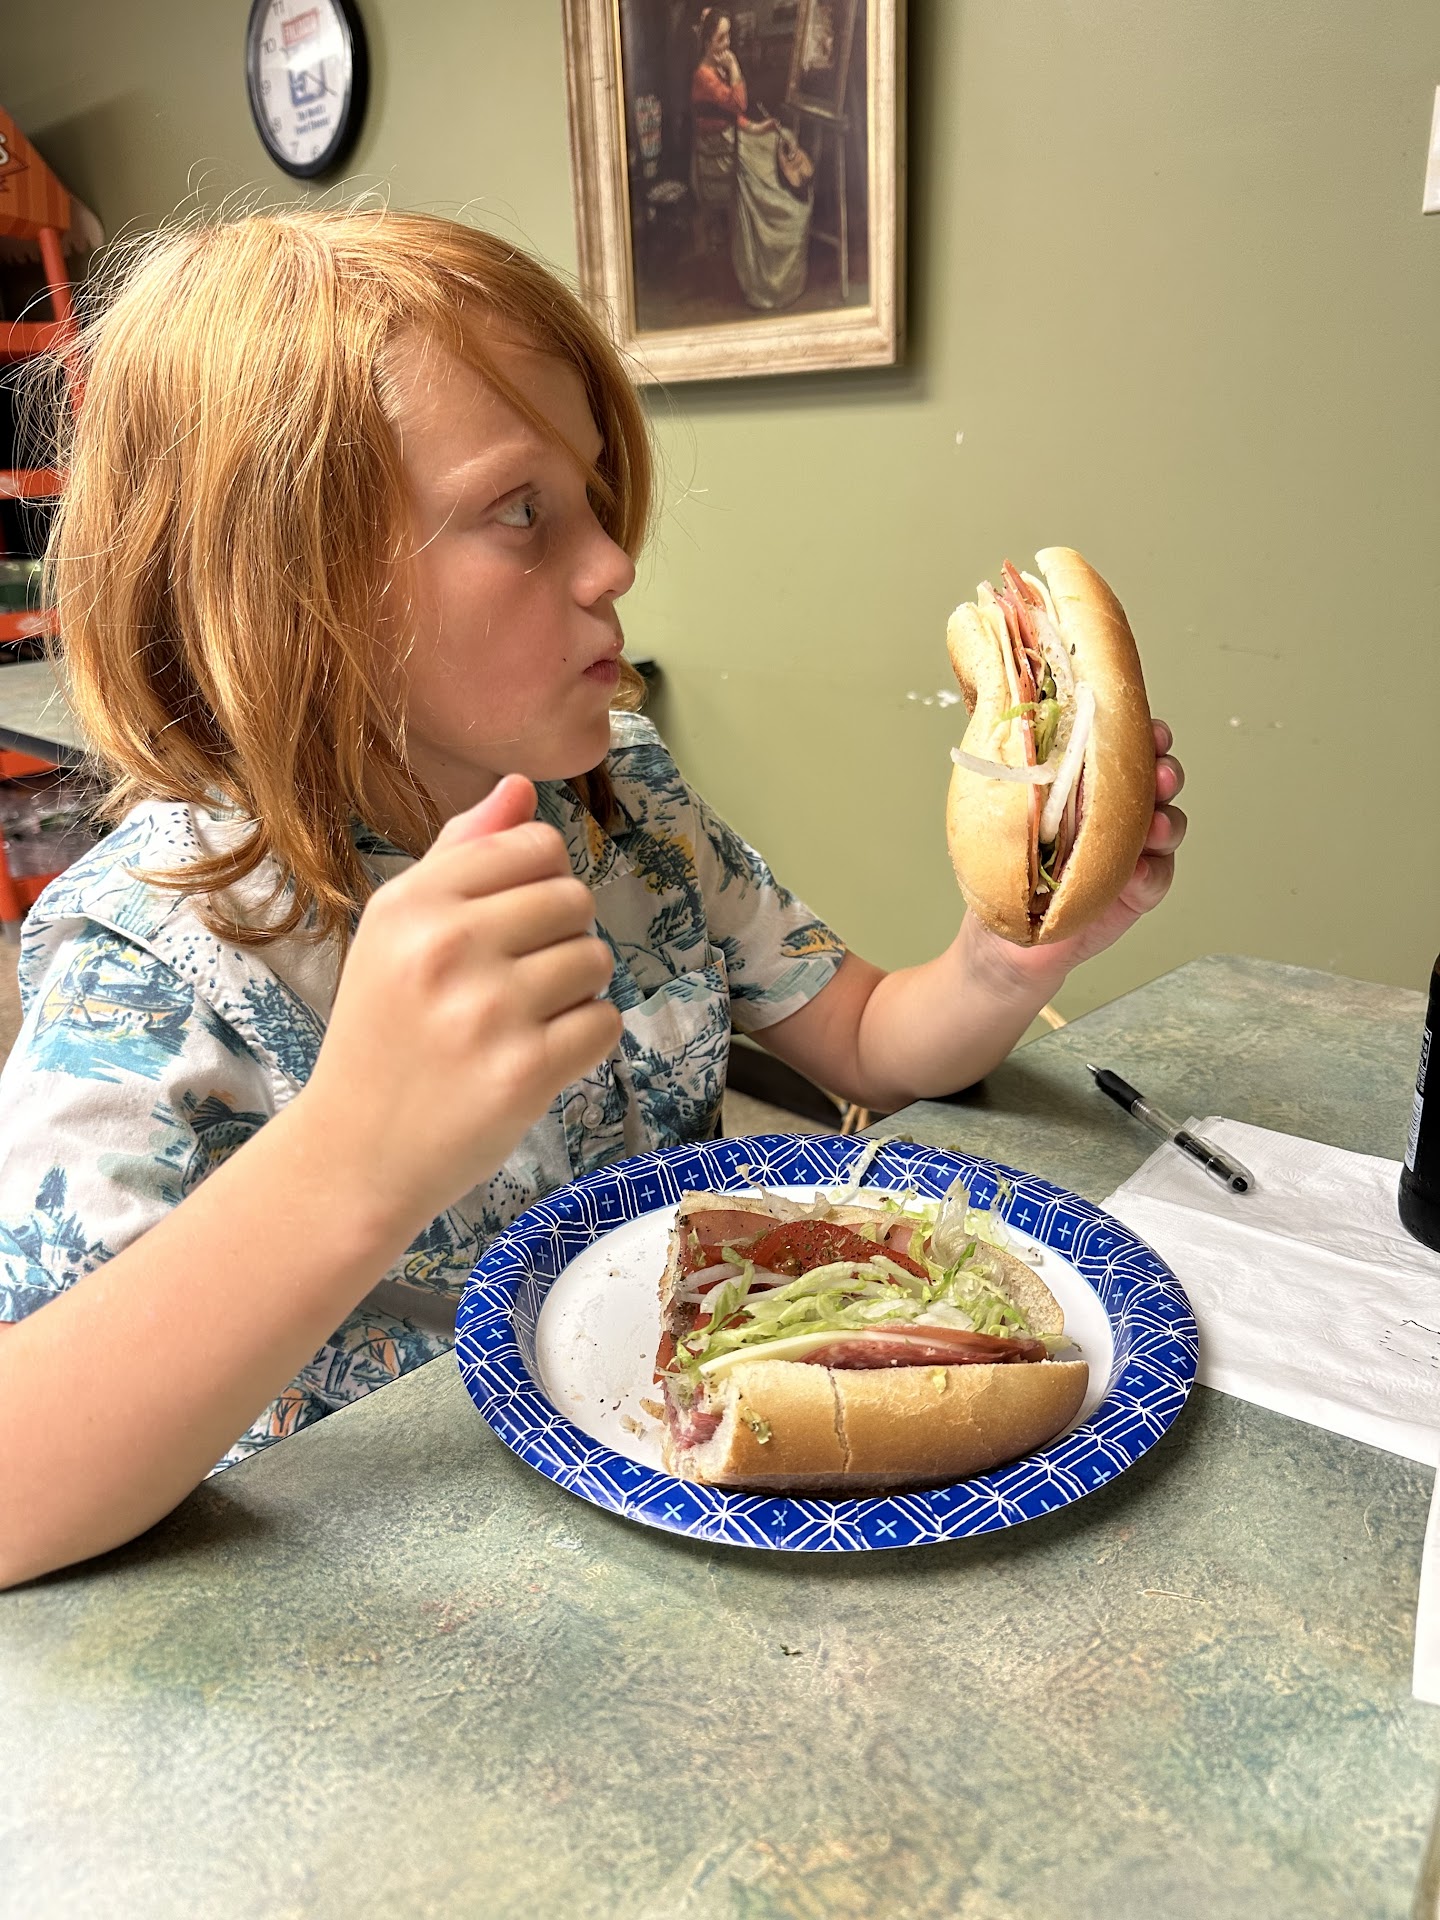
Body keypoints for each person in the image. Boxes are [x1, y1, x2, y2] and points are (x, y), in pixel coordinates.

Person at [0, 208, 1186, 1587]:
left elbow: (864, 1038)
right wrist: (355, 1154)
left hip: (690, 1520)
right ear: (292, 590)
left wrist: (1002, 960)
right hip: (411, 1617)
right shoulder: (154, 954)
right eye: (522, 511)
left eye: (595, 491)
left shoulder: (625, 809)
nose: (617, 558)